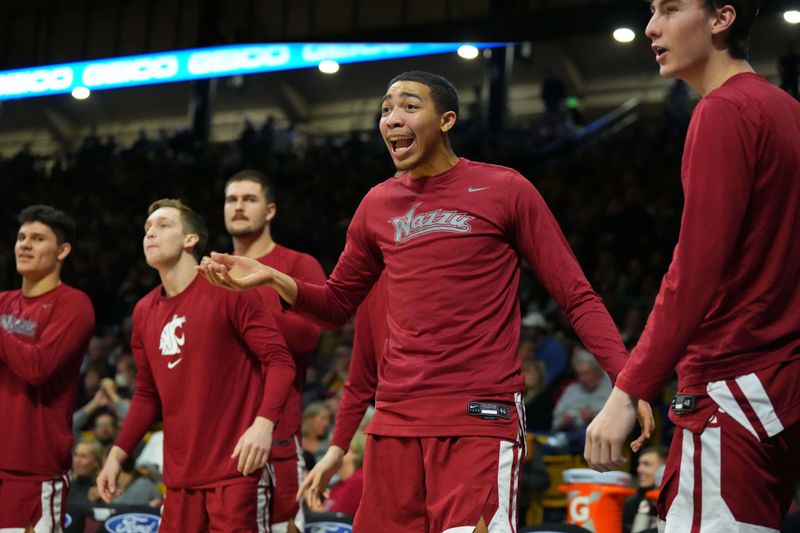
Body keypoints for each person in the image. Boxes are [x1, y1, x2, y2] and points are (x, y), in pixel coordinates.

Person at [199, 71, 653, 533]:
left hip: (480, 416)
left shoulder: (505, 188)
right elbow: (336, 307)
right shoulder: (377, 204)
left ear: (447, 120)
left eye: (409, 106)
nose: (393, 118)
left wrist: (626, 380)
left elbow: (576, 296)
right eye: (386, 110)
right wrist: (272, 278)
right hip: (395, 420)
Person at [585, 1, 800, 531]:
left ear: (721, 18)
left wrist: (629, 388)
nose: (651, 26)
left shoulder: (723, 110)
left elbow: (694, 271)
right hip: (780, 391)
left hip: (731, 388)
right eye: (651, 10)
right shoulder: (789, 111)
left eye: (671, 8)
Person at [96, 199, 295, 533]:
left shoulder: (228, 287)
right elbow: (146, 394)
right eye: (147, 229)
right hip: (179, 480)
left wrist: (263, 425)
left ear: (190, 240)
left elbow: (280, 361)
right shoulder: (144, 311)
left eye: (163, 225)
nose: (150, 234)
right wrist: (117, 454)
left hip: (236, 473)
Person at [224, 169, 326, 533]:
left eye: (249, 199)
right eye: (231, 200)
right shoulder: (213, 269)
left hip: (276, 434)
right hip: (218, 438)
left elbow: (308, 338)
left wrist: (246, 304)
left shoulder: (298, 266)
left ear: (269, 211)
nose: (238, 207)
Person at [0, 205, 95, 533]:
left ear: (62, 250)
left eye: (38, 239)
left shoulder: (73, 304)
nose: (25, 245)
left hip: (34, 473)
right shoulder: (3, 302)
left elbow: (37, 367)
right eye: (21, 237)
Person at [622, 446, 668, 533]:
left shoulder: (675, 506)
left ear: (664, 469)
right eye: (639, 464)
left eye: (646, 464)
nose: (639, 469)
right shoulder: (631, 504)